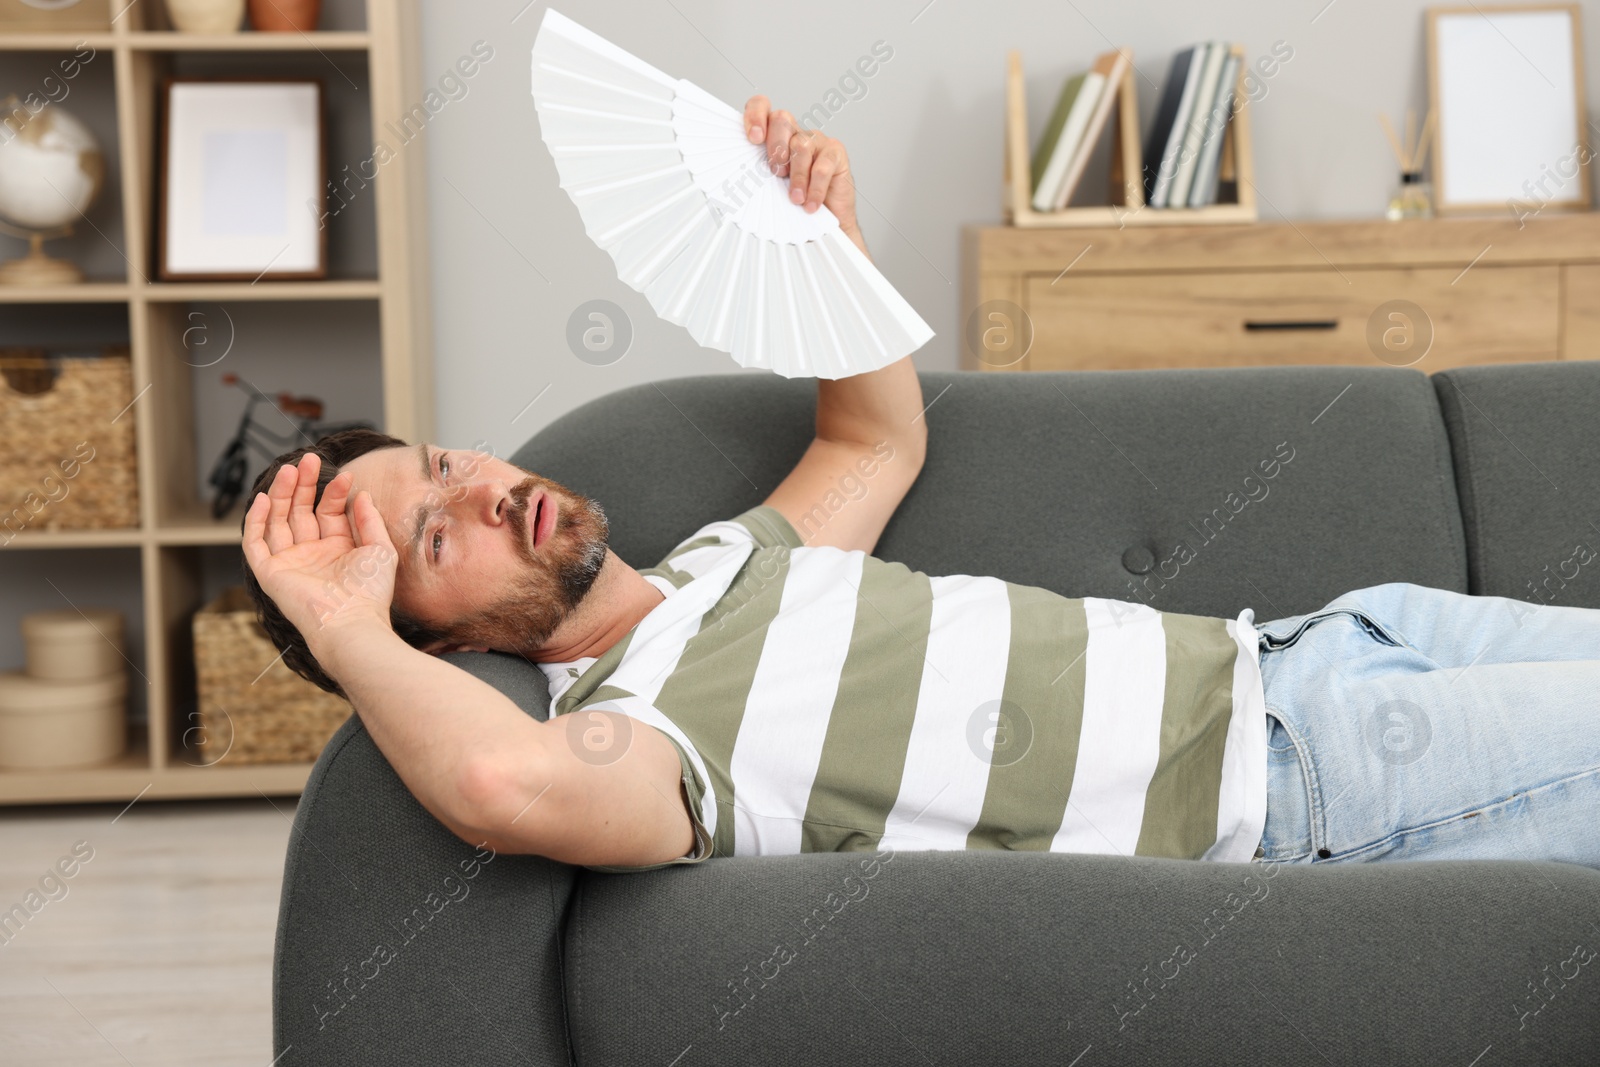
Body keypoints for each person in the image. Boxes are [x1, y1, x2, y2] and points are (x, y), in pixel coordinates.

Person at [240, 96, 1600, 876]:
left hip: (1331, 646)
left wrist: (822, 234)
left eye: (444, 465)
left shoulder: (728, 564)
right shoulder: (640, 738)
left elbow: (875, 439)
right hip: (1311, 785)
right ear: (453, 644)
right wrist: (339, 621)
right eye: (430, 541)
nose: (479, 491)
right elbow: (499, 784)